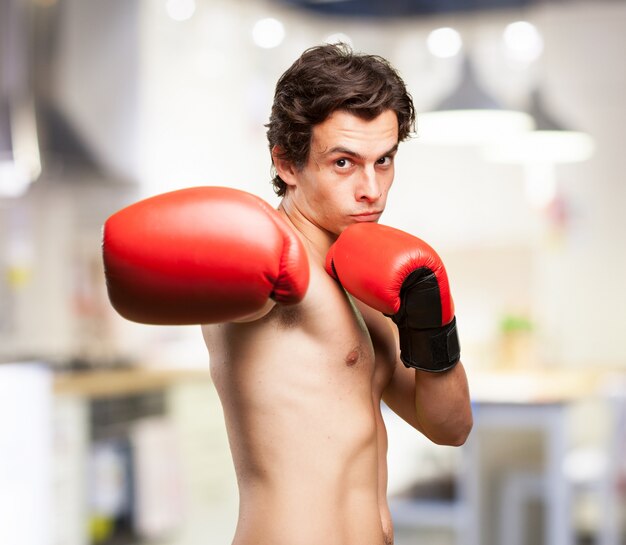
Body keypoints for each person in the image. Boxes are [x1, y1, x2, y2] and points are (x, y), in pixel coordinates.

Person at [102, 43, 472, 545]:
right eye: (344, 162)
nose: (372, 189)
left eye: (383, 160)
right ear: (287, 163)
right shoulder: (264, 259)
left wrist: (432, 324)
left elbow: (449, 428)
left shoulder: (366, 273)